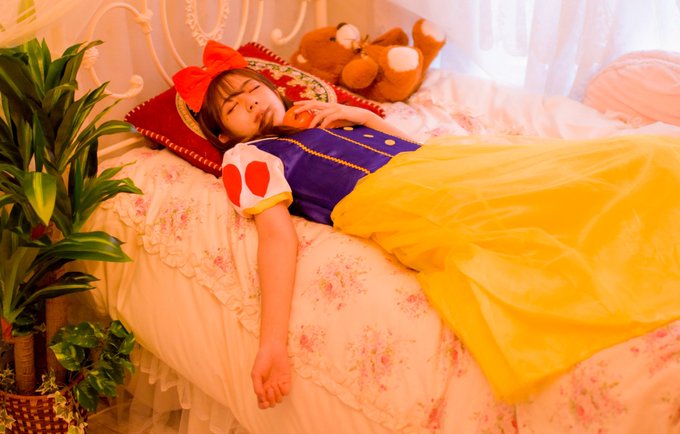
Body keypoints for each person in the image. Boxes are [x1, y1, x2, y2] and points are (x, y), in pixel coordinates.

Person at [173, 41, 680, 410]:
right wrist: (272, 343)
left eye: (251, 89)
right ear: (223, 134)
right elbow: (276, 235)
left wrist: (359, 116)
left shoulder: (316, 114)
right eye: (233, 108)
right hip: (390, 198)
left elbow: (406, 146)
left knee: (613, 164)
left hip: (430, 165)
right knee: (527, 224)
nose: (249, 102)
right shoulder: (247, 157)